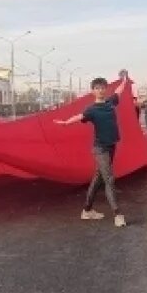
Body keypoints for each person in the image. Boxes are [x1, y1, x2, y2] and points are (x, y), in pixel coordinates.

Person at [55, 77, 126, 227]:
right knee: (109, 178)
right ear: (93, 91)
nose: (100, 90)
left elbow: (119, 91)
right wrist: (66, 123)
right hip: (100, 148)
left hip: (111, 145)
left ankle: (87, 211)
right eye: (97, 88)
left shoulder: (111, 102)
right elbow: (80, 116)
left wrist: (124, 81)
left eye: (102, 87)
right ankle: (117, 214)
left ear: (106, 89)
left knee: (98, 177)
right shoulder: (92, 109)